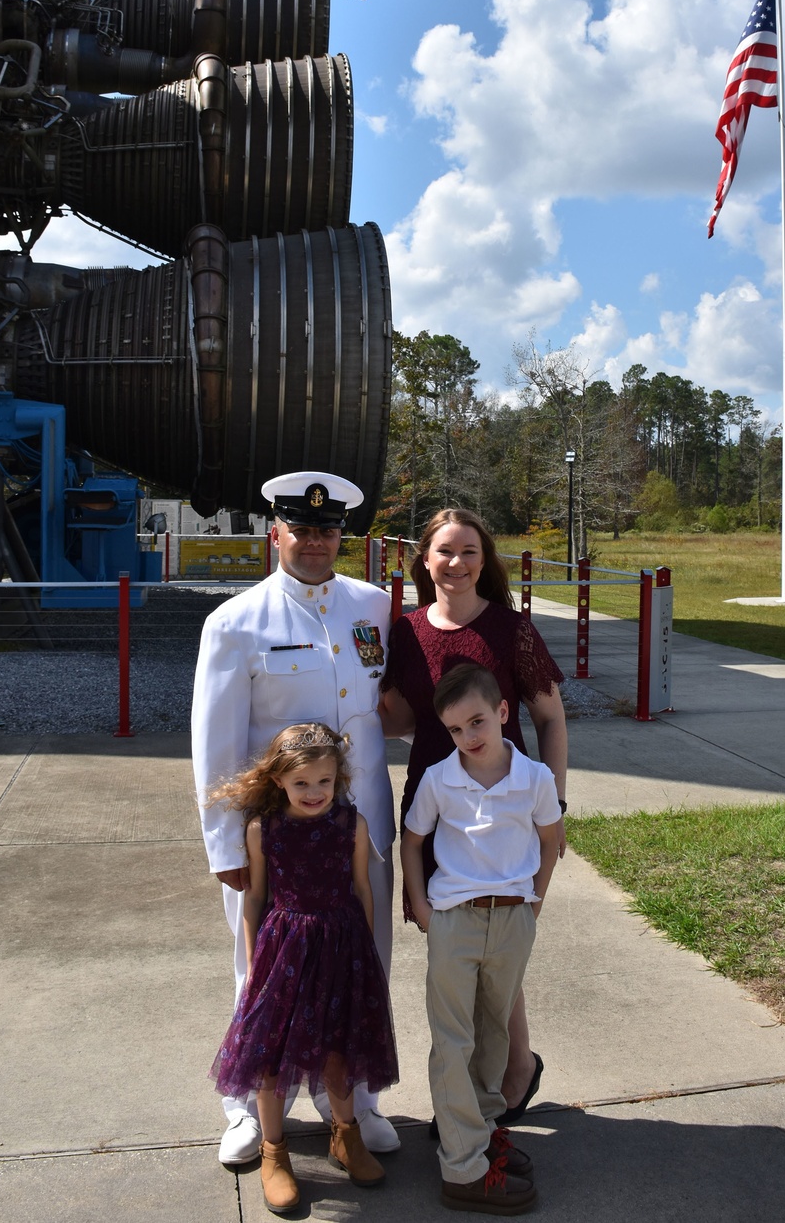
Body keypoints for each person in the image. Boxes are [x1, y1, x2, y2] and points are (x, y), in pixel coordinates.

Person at [192, 471, 399, 1167]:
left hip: (360, 826)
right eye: (302, 529)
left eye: (327, 529)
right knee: (261, 974)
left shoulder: (373, 604)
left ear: (342, 534)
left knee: (364, 966)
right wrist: (223, 842)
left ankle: (356, 1098)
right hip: (275, 841)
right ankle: (246, 1105)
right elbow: (215, 744)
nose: (315, 542)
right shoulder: (235, 622)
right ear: (275, 532)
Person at [379, 508, 567, 1122]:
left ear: (485, 562)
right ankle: (478, 1088)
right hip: (437, 804)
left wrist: (553, 804)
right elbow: (410, 721)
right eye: (444, 552)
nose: (456, 563)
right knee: (460, 951)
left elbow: (550, 719)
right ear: (423, 560)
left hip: (505, 809)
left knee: (498, 938)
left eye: (469, 552)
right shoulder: (404, 631)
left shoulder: (512, 631)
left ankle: (512, 1067)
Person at [209, 724, 399, 1213]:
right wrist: (253, 964)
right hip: (284, 952)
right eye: (302, 784)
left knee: (337, 1052)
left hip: (341, 947)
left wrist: (368, 954)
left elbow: (362, 887)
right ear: (279, 781)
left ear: (338, 779)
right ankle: (274, 1153)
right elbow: (255, 896)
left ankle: (345, 1137)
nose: (314, 793)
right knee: (270, 1060)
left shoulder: (349, 825)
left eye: (324, 782)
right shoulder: (263, 830)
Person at [402, 664, 561, 1214]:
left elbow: (549, 838)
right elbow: (412, 839)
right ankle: (462, 1169)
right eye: (455, 730)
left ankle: (482, 1130)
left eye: (476, 722)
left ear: (501, 713)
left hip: (513, 919)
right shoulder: (439, 779)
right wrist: (421, 904)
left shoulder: (535, 778)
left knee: (493, 1034)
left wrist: (534, 902)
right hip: (455, 920)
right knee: (453, 1039)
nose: (468, 738)